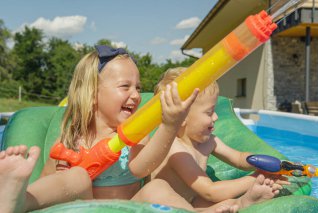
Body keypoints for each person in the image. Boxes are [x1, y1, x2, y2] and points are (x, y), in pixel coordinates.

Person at [0, 46, 199, 213]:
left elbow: (140, 169)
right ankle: (19, 200)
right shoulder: (70, 141)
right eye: (125, 86)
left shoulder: (136, 132)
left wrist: (169, 125)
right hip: (88, 209)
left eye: (138, 88)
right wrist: (60, 181)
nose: (136, 95)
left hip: (132, 208)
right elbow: (49, 184)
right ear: (93, 92)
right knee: (76, 177)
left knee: (156, 187)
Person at [132, 67, 290, 212]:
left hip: (192, 200)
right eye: (209, 112)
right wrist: (256, 178)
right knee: (172, 193)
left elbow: (239, 158)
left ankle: (241, 203)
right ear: (182, 117)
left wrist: (261, 163)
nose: (216, 117)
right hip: (161, 206)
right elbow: (210, 191)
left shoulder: (208, 141)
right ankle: (236, 204)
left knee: (208, 202)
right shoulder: (176, 149)